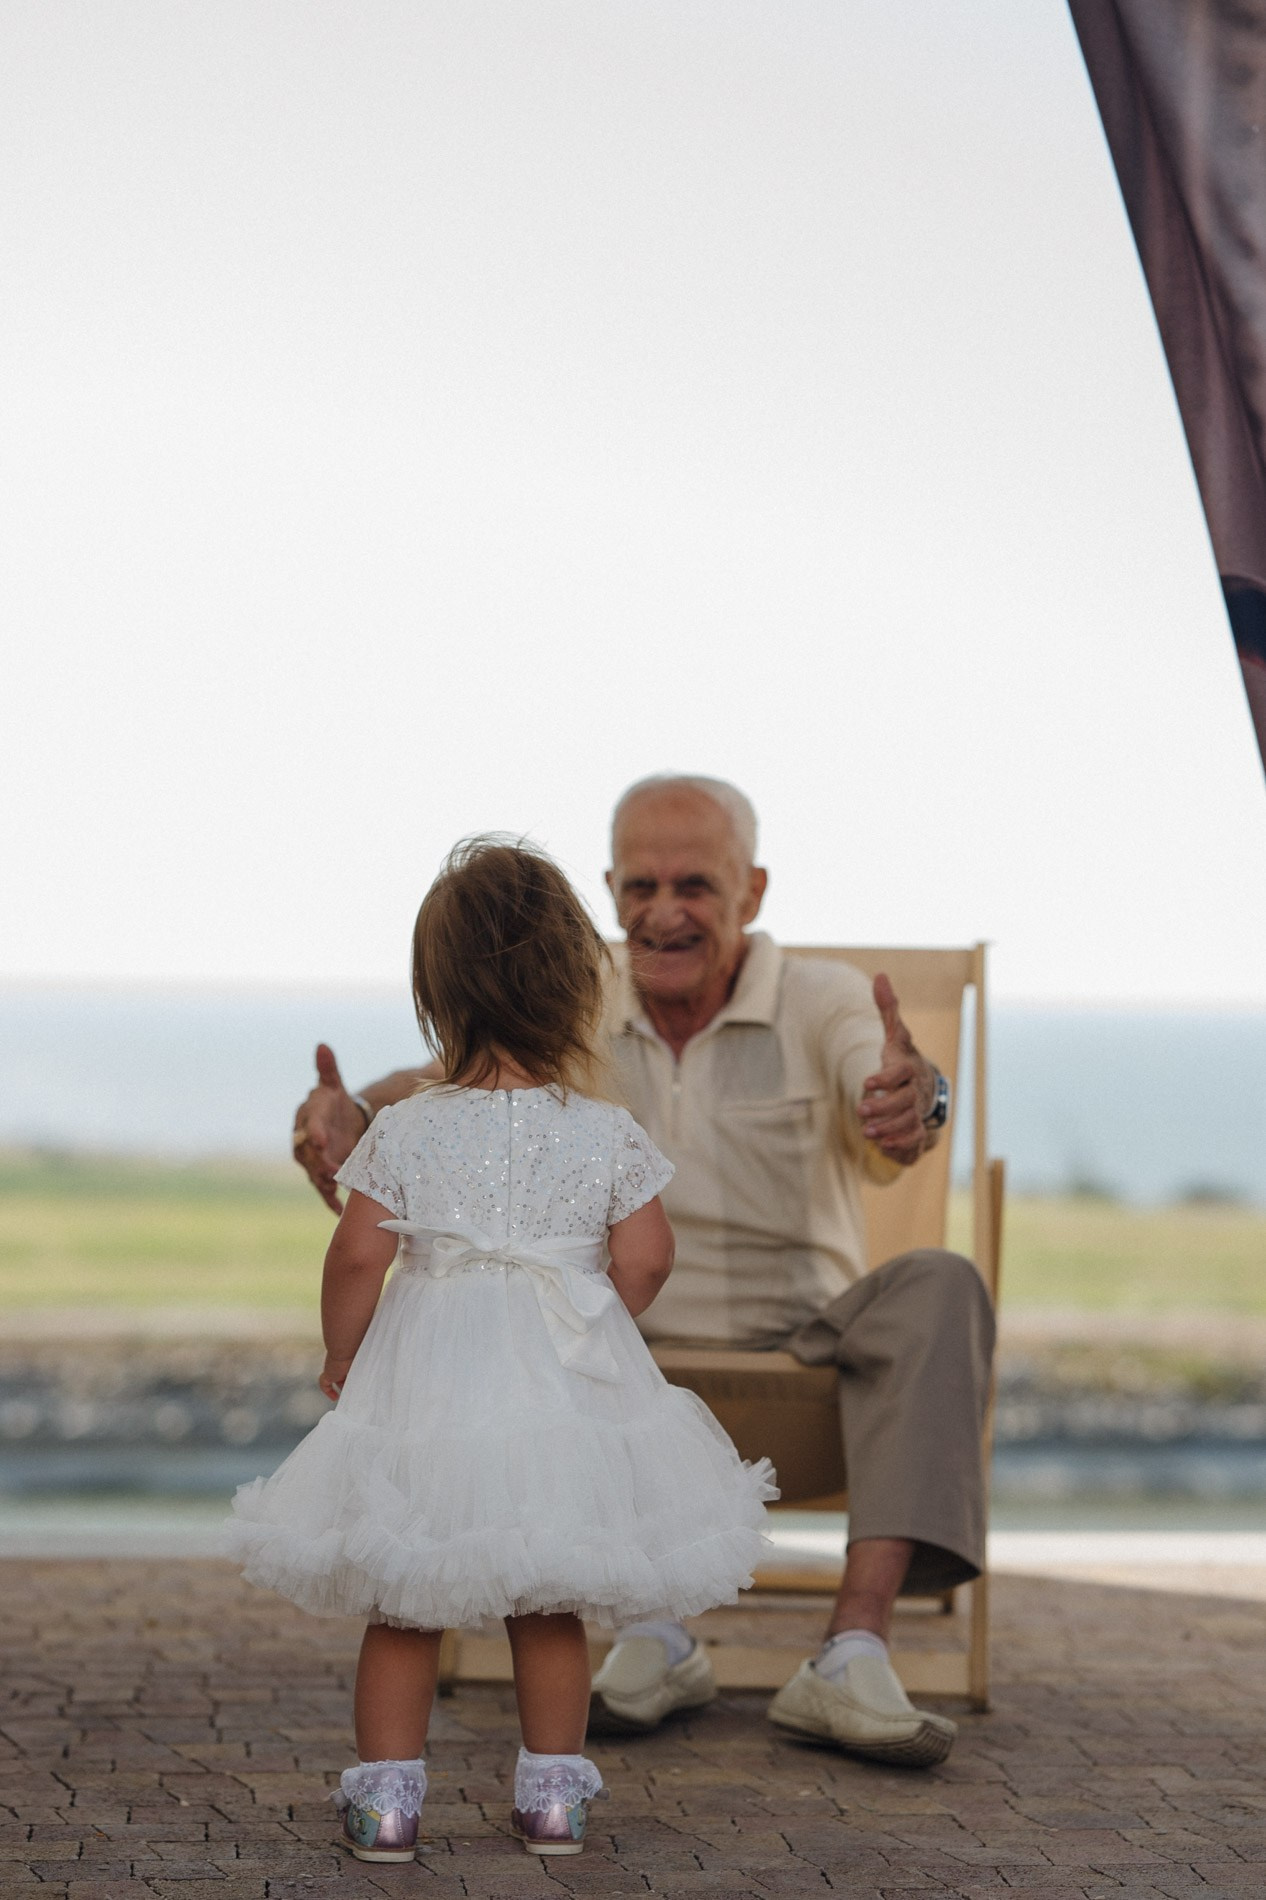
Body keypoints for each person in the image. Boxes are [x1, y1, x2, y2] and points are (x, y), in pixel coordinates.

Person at [292, 778, 995, 1771]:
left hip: (803, 1358)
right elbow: (450, 1093)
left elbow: (885, 1082)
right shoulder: (576, 997)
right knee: (543, 1316)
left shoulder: (826, 997)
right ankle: (650, 1636)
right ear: (611, 890)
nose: (664, 912)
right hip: (617, 1367)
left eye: (695, 884)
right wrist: (348, 1115)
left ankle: (852, 1649)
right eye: (640, 886)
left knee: (942, 1282)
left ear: (752, 890)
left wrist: (918, 1097)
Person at [230, 838, 773, 1863]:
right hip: (561, 1387)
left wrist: (343, 1353)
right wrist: (593, 1314)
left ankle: (388, 1809)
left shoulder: (406, 1129)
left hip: (428, 1387)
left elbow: (357, 1255)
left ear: (435, 993)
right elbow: (649, 1255)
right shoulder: (606, 1130)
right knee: (547, 1595)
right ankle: (553, 1802)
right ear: (576, 986)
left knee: (405, 1596)